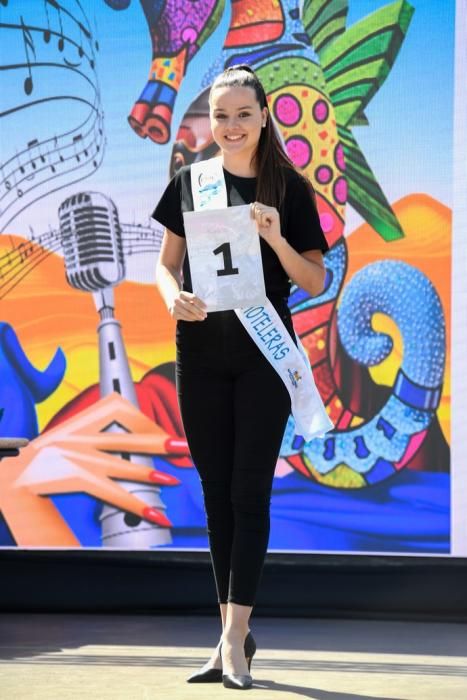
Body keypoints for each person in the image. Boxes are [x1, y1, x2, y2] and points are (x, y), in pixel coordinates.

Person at [152, 64, 329, 690]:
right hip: (198, 354)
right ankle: (231, 634)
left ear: (263, 117)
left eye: (243, 114)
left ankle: (232, 639)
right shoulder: (190, 182)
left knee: (248, 493)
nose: (231, 126)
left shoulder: (289, 186)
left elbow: (314, 280)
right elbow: (166, 266)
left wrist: (278, 241)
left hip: (262, 357)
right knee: (214, 494)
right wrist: (172, 296)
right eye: (221, 115)